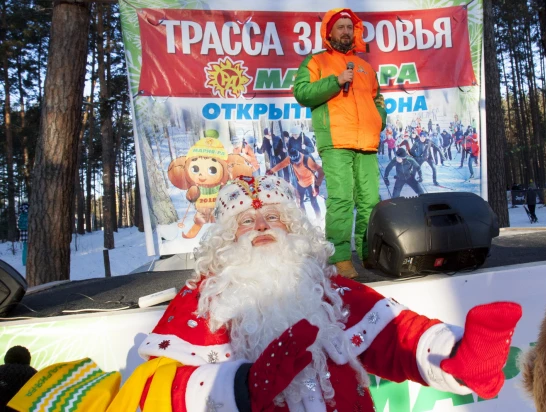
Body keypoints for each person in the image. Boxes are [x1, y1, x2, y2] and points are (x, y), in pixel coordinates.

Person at [107, 175, 522, 411]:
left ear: (294, 229)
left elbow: (398, 335)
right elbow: (149, 392)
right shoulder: (202, 303)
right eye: (247, 222)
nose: (262, 227)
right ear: (225, 240)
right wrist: (241, 387)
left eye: (273, 217)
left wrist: (460, 353)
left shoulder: (328, 290)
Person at [293, 8, 387, 278]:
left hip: (367, 142)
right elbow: (302, 92)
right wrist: (336, 81)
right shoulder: (316, 61)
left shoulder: (366, 67)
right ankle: (341, 258)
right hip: (336, 141)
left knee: (371, 201)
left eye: (350, 27)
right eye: (341, 27)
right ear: (329, 32)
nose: (346, 31)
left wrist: (378, 119)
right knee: (342, 200)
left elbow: (378, 99)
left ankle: (370, 254)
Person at [267, 148, 324, 219]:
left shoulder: (307, 160)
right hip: (300, 183)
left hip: (310, 183)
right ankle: (304, 218)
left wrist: (317, 185)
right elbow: (282, 164)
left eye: (298, 161)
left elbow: (321, 170)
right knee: (300, 203)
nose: (297, 163)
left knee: (313, 203)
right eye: (295, 162)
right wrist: (272, 170)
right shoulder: (290, 159)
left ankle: (319, 219)